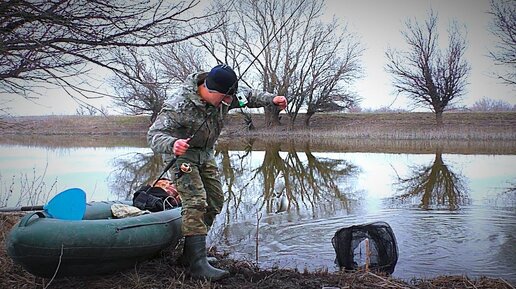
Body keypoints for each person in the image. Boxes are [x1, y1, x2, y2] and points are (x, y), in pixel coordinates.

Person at [147, 64, 287, 280]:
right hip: (181, 156)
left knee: (215, 200)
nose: (228, 104)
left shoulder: (226, 96)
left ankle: (191, 254)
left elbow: (248, 96)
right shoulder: (178, 105)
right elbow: (154, 135)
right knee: (195, 202)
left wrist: (273, 99)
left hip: (206, 154)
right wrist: (172, 143)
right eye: (224, 99)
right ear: (210, 91)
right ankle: (197, 266)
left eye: (230, 99)